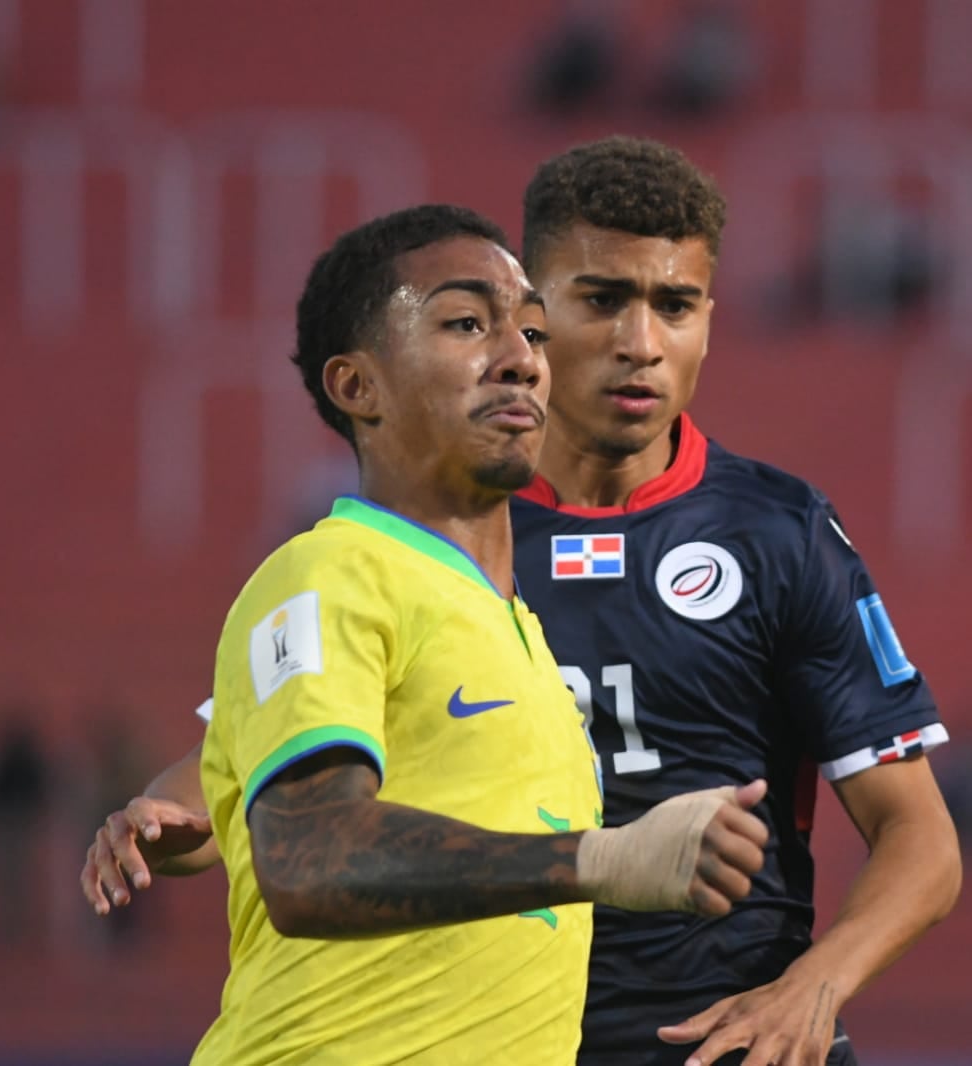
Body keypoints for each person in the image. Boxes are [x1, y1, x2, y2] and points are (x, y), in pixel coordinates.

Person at [84, 140, 962, 1066]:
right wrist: (158, 821)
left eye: (675, 306)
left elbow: (921, 837)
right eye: (600, 301)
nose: (640, 343)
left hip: (725, 1040)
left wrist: (811, 989)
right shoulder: (428, 544)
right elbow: (254, 784)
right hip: (498, 1037)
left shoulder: (778, 530)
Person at [181, 202, 769, 1066]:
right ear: (357, 387)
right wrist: (601, 862)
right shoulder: (330, 573)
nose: (523, 362)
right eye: (466, 324)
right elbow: (307, 859)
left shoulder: (514, 629)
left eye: (532, 332)